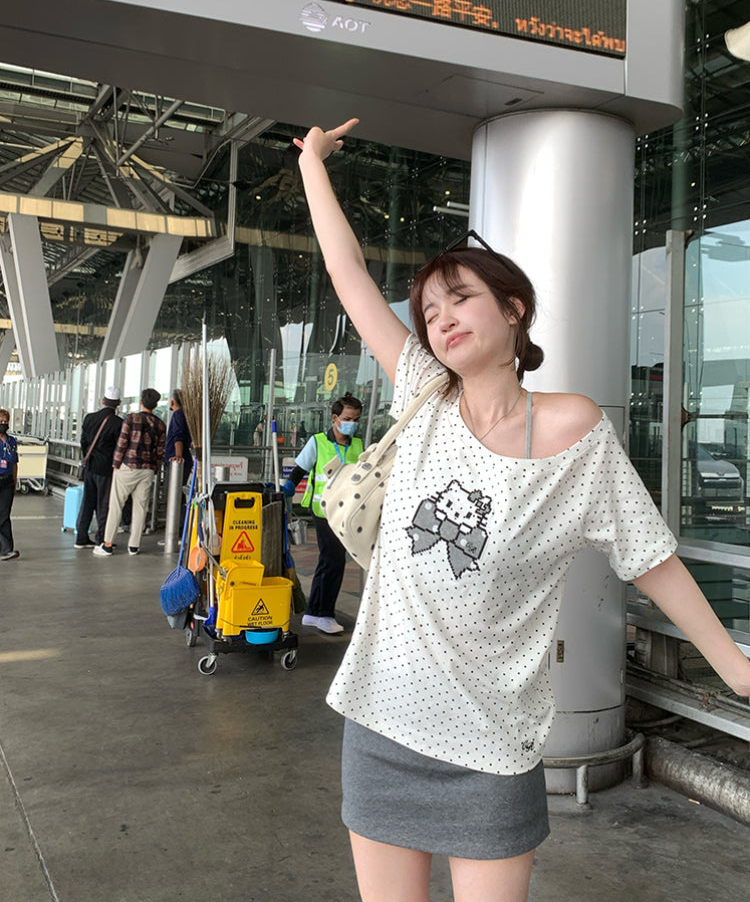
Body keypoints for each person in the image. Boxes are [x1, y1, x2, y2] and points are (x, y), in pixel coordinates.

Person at [294, 119, 750, 902]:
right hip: (383, 720)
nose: (440, 317)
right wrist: (311, 163)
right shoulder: (423, 394)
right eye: (428, 310)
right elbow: (346, 272)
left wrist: (737, 670)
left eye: (460, 298)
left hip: (492, 742)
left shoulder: (574, 430)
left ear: (514, 309)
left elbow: (650, 556)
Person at [282, 392, 364, 634]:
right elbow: (300, 469)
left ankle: (313, 612)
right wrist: (288, 487)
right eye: (348, 419)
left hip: (344, 511)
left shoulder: (358, 445)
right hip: (322, 509)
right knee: (334, 559)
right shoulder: (317, 442)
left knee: (328, 560)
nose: (352, 424)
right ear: (335, 418)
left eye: (356, 419)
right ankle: (325, 614)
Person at [94, 388, 166, 557]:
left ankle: (107, 544)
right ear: (155, 405)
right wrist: (154, 468)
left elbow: (122, 443)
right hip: (147, 470)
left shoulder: (131, 418)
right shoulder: (161, 424)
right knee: (141, 508)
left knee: (116, 505)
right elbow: (159, 451)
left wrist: (116, 464)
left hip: (128, 467)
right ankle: (134, 546)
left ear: (141, 402)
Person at [74, 385, 123, 549]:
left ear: (103, 401)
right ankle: (101, 539)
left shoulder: (89, 418)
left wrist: (87, 457)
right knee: (104, 504)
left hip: (90, 466)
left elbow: (83, 441)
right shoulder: (118, 423)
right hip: (107, 469)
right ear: (119, 403)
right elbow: (119, 447)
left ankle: (81, 537)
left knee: (87, 502)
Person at [0, 408, 19, 560]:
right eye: (0, 421)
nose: (3, 424)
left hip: (7, 481)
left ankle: (7, 549)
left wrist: (14, 481)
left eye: (5, 422)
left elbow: (14, 463)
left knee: (4, 515)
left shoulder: (11, 441)